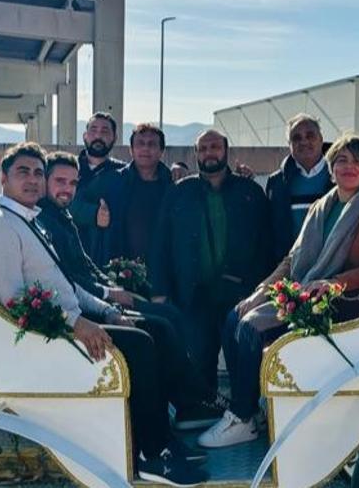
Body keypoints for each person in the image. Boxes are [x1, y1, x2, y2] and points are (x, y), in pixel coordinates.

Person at [0, 143, 208, 486]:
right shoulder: (0, 227)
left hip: (72, 318)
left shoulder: (29, 220)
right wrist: (77, 323)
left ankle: (165, 437)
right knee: (141, 345)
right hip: (52, 332)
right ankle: (150, 455)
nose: (33, 180)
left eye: (38, 173)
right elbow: (14, 301)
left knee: (155, 330)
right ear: (4, 179)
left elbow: (65, 283)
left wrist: (108, 311)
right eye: (23, 172)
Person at [198, 133, 359, 448]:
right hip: (311, 290)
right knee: (234, 316)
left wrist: (336, 282)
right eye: (342, 160)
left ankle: (241, 417)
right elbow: (293, 260)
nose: (349, 167)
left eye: (357, 161)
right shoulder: (323, 206)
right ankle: (249, 410)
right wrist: (260, 292)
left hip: (345, 301)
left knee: (252, 327)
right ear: (332, 167)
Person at [37, 150, 223, 429]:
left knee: (170, 315)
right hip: (84, 307)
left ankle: (191, 400)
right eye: (60, 181)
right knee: (161, 323)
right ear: (45, 182)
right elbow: (69, 279)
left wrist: (112, 285)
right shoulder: (46, 222)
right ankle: (191, 402)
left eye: (73, 183)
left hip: (97, 295)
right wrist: (109, 295)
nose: (67, 189)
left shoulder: (61, 217)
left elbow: (86, 265)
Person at [149, 129, 272, 396]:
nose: (209, 153)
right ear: (195, 154)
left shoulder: (249, 191)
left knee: (242, 358)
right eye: (203, 149)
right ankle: (206, 413)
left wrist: (261, 289)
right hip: (193, 294)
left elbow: (266, 244)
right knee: (200, 360)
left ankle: (245, 416)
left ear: (226, 150)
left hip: (240, 295)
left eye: (214, 147)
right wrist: (160, 291)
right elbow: (162, 244)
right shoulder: (179, 192)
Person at [90, 123, 175, 266]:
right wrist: (94, 214)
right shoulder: (112, 180)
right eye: (140, 143)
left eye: (152, 144)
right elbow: (76, 201)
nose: (145, 148)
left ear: (162, 151)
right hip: (121, 271)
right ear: (131, 150)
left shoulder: (173, 186)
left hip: (163, 272)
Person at [266, 113, 334, 265]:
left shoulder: (339, 176)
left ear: (321, 139)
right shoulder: (277, 183)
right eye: (296, 138)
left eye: (310, 135)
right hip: (289, 271)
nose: (304, 141)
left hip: (331, 269)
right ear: (289, 145)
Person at [69, 112, 126, 260]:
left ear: (115, 138)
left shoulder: (123, 173)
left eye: (105, 131)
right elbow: (54, 202)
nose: (98, 136)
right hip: (67, 254)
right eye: (93, 130)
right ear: (85, 136)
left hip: (107, 258)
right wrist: (93, 214)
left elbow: (150, 174)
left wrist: (177, 168)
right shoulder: (66, 168)